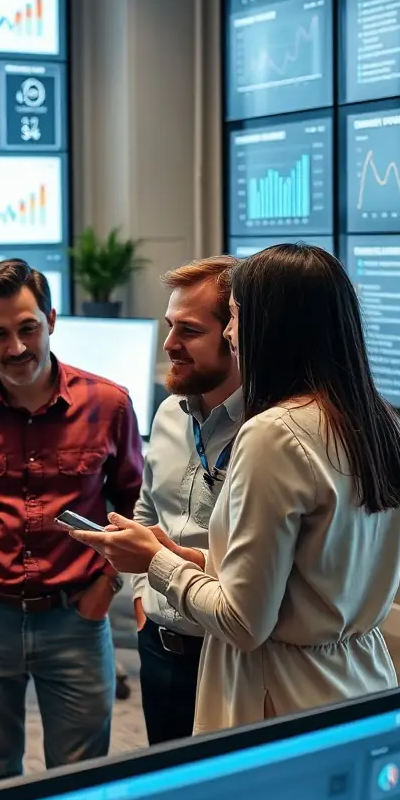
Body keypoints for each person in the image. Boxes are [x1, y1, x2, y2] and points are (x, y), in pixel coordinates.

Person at [72, 244, 400, 734]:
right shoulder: (376, 420)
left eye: (232, 318)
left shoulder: (273, 432)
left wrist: (155, 563)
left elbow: (244, 624)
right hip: (357, 678)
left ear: (271, 325)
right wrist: (190, 561)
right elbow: (311, 578)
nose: (231, 334)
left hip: (281, 695)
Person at [0, 258, 144, 785]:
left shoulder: (109, 404)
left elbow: (134, 506)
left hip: (77, 616)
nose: (17, 347)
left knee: (80, 779)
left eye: (28, 328)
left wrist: (106, 584)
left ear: (51, 319)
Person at [132, 255, 241, 744]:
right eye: (170, 326)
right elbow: (147, 509)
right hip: (159, 648)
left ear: (237, 333)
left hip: (231, 655)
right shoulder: (170, 413)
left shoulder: (274, 433)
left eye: (189, 331)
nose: (169, 344)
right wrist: (141, 595)